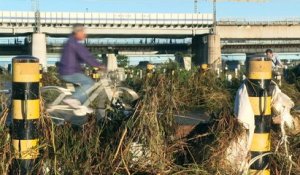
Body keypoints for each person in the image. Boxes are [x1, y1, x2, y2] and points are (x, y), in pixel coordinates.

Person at [58, 24, 105, 111]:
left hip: (69, 71)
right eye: (83, 32)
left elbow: (82, 58)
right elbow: (86, 57)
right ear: (78, 32)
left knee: (85, 87)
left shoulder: (71, 42)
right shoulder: (74, 43)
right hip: (69, 72)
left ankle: (79, 106)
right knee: (89, 83)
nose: (85, 34)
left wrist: (93, 64)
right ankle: (73, 99)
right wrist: (99, 65)